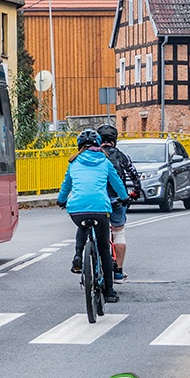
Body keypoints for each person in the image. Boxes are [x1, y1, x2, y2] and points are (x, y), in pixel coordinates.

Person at [57, 129, 128, 304]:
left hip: (77, 209)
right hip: (100, 208)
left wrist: (61, 200)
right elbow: (117, 183)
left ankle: (78, 256)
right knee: (104, 249)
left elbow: (66, 185)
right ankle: (109, 292)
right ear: (98, 145)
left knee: (82, 225)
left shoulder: (73, 162)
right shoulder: (105, 162)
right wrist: (124, 197)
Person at [97, 124, 141, 282]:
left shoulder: (94, 156)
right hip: (116, 199)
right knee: (118, 233)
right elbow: (134, 175)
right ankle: (118, 271)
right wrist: (135, 192)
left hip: (97, 200)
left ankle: (94, 261)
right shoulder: (122, 156)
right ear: (114, 140)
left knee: (96, 231)